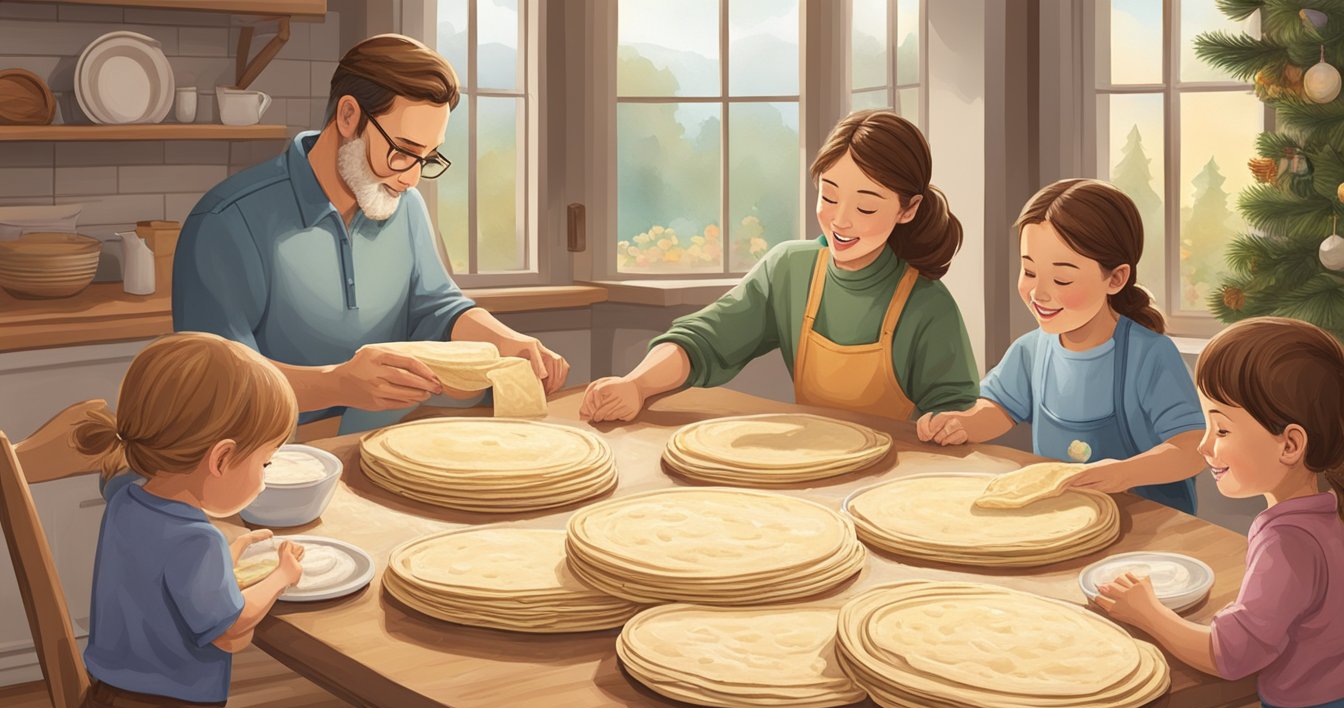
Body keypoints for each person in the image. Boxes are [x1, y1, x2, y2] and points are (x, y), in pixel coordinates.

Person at [173, 34, 568, 434]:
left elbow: (437, 307)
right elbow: (217, 382)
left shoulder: (404, 206)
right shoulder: (226, 221)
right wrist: (338, 385)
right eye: (402, 150)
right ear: (348, 116)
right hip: (268, 461)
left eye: (427, 157)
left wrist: (508, 341)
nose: (412, 177)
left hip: (384, 441)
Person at [580, 109, 978, 423]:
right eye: (829, 195)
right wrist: (636, 385)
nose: (840, 220)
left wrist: (945, 426)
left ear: (908, 210)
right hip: (812, 464)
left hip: (896, 483)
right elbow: (705, 339)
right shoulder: (790, 269)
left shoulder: (928, 306)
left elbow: (957, 414)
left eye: (866, 206)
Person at [1095, 317, 1344, 708]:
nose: (1206, 446)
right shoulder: (1329, 513)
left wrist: (1147, 612)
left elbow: (1231, 655)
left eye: (1222, 430)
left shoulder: (1287, 541)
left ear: (1290, 444)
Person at [69, 333, 306, 708]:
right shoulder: (198, 539)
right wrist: (282, 575)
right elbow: (230, 626)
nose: (266, 477)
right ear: (221, 459)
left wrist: (227, 559)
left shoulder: (126, 500)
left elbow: (156, 580)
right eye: (265, 462)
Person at [915, 179, 1205, 514]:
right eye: (1029, 271)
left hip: (1148, 527)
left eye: (1062, 279)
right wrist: (961, 425)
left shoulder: (1150, 356)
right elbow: (998, 410)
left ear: (1116, 278)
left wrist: (1122, 473)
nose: (1039, 293)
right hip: (1063, 516)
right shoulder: (1030, 351)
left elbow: (1191, 448)